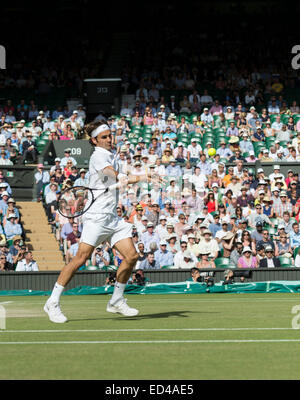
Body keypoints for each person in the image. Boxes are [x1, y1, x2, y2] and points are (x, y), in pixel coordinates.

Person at [44, 120, 163, 323]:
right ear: (94, 140)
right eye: (104, 137)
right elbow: (112, 175)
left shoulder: (110, 156)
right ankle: (52, 302)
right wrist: (141, 176)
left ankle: (116, 300)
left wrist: (131, 179)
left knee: (132, 256)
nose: (109, 139)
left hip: (112, 218)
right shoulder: (98, 156)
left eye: (110, 136)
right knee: (80, 259)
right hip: (97, 218)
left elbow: (112, 181)